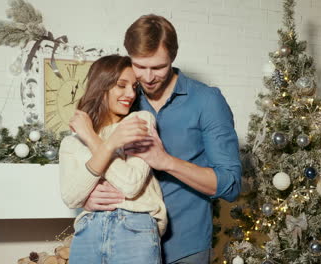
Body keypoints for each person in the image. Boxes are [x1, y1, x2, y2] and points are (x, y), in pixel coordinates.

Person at [84, 14, 242, 264]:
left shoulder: (207, 101)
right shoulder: (125, 98)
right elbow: (94, 153)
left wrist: (165, 161)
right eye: (139, 66)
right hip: (124, 243)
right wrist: (88, 196)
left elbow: (230, 185)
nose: (147, 78)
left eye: (158, 67)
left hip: (185, 246)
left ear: (173, 58)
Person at [58, 55, 167, 264]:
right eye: (121, 85)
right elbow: (71, 198)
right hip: (87, 233)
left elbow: (131, 184)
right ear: (101, 86)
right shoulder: (71, 143)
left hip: (134, 229)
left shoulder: (139, 121)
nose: (131, 94)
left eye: (135, 87)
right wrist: (86, 199)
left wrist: (91, 137)